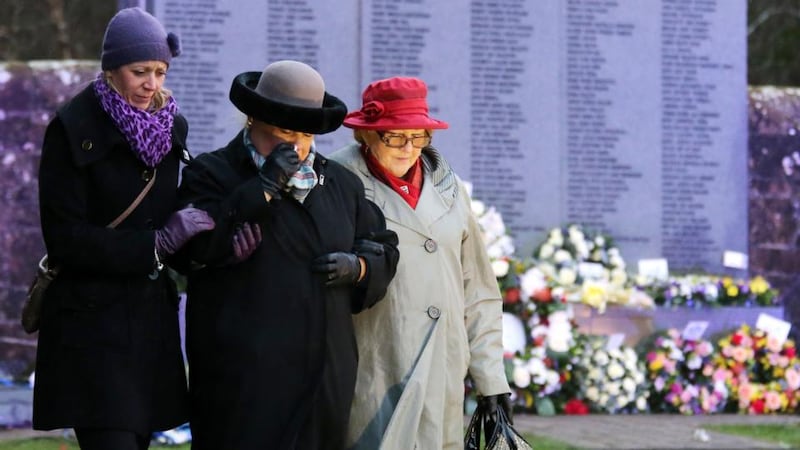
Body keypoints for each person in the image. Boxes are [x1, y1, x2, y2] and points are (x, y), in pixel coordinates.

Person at [176, 60, 400, 450]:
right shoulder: (212, 172)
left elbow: (383, 246)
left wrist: (360, 266)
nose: (296, 146)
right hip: (244, 380)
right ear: (252, 120)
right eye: (283, 131)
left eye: (306, 134)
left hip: (322, 378)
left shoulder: (340, 184)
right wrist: (261, 188)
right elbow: (191, 248)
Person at [32, 7, 215, 450]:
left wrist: (211, 241)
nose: (151, 84)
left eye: (159, 71)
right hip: (91, 328)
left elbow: (175, 211)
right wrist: (153, 245)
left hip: (149, 327)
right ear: (111, 70)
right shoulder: (72, 128)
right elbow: (65, 238)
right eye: (139, 72)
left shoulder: (173, 128)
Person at [329, 76, 512, 449]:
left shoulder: (449, 186)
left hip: (443, 368)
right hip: (375, 365)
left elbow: (478, 290)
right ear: (366, 135)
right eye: (395, 136)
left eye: (419, 136)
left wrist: (491, 381)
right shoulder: (335, 180)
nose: (408, 148)